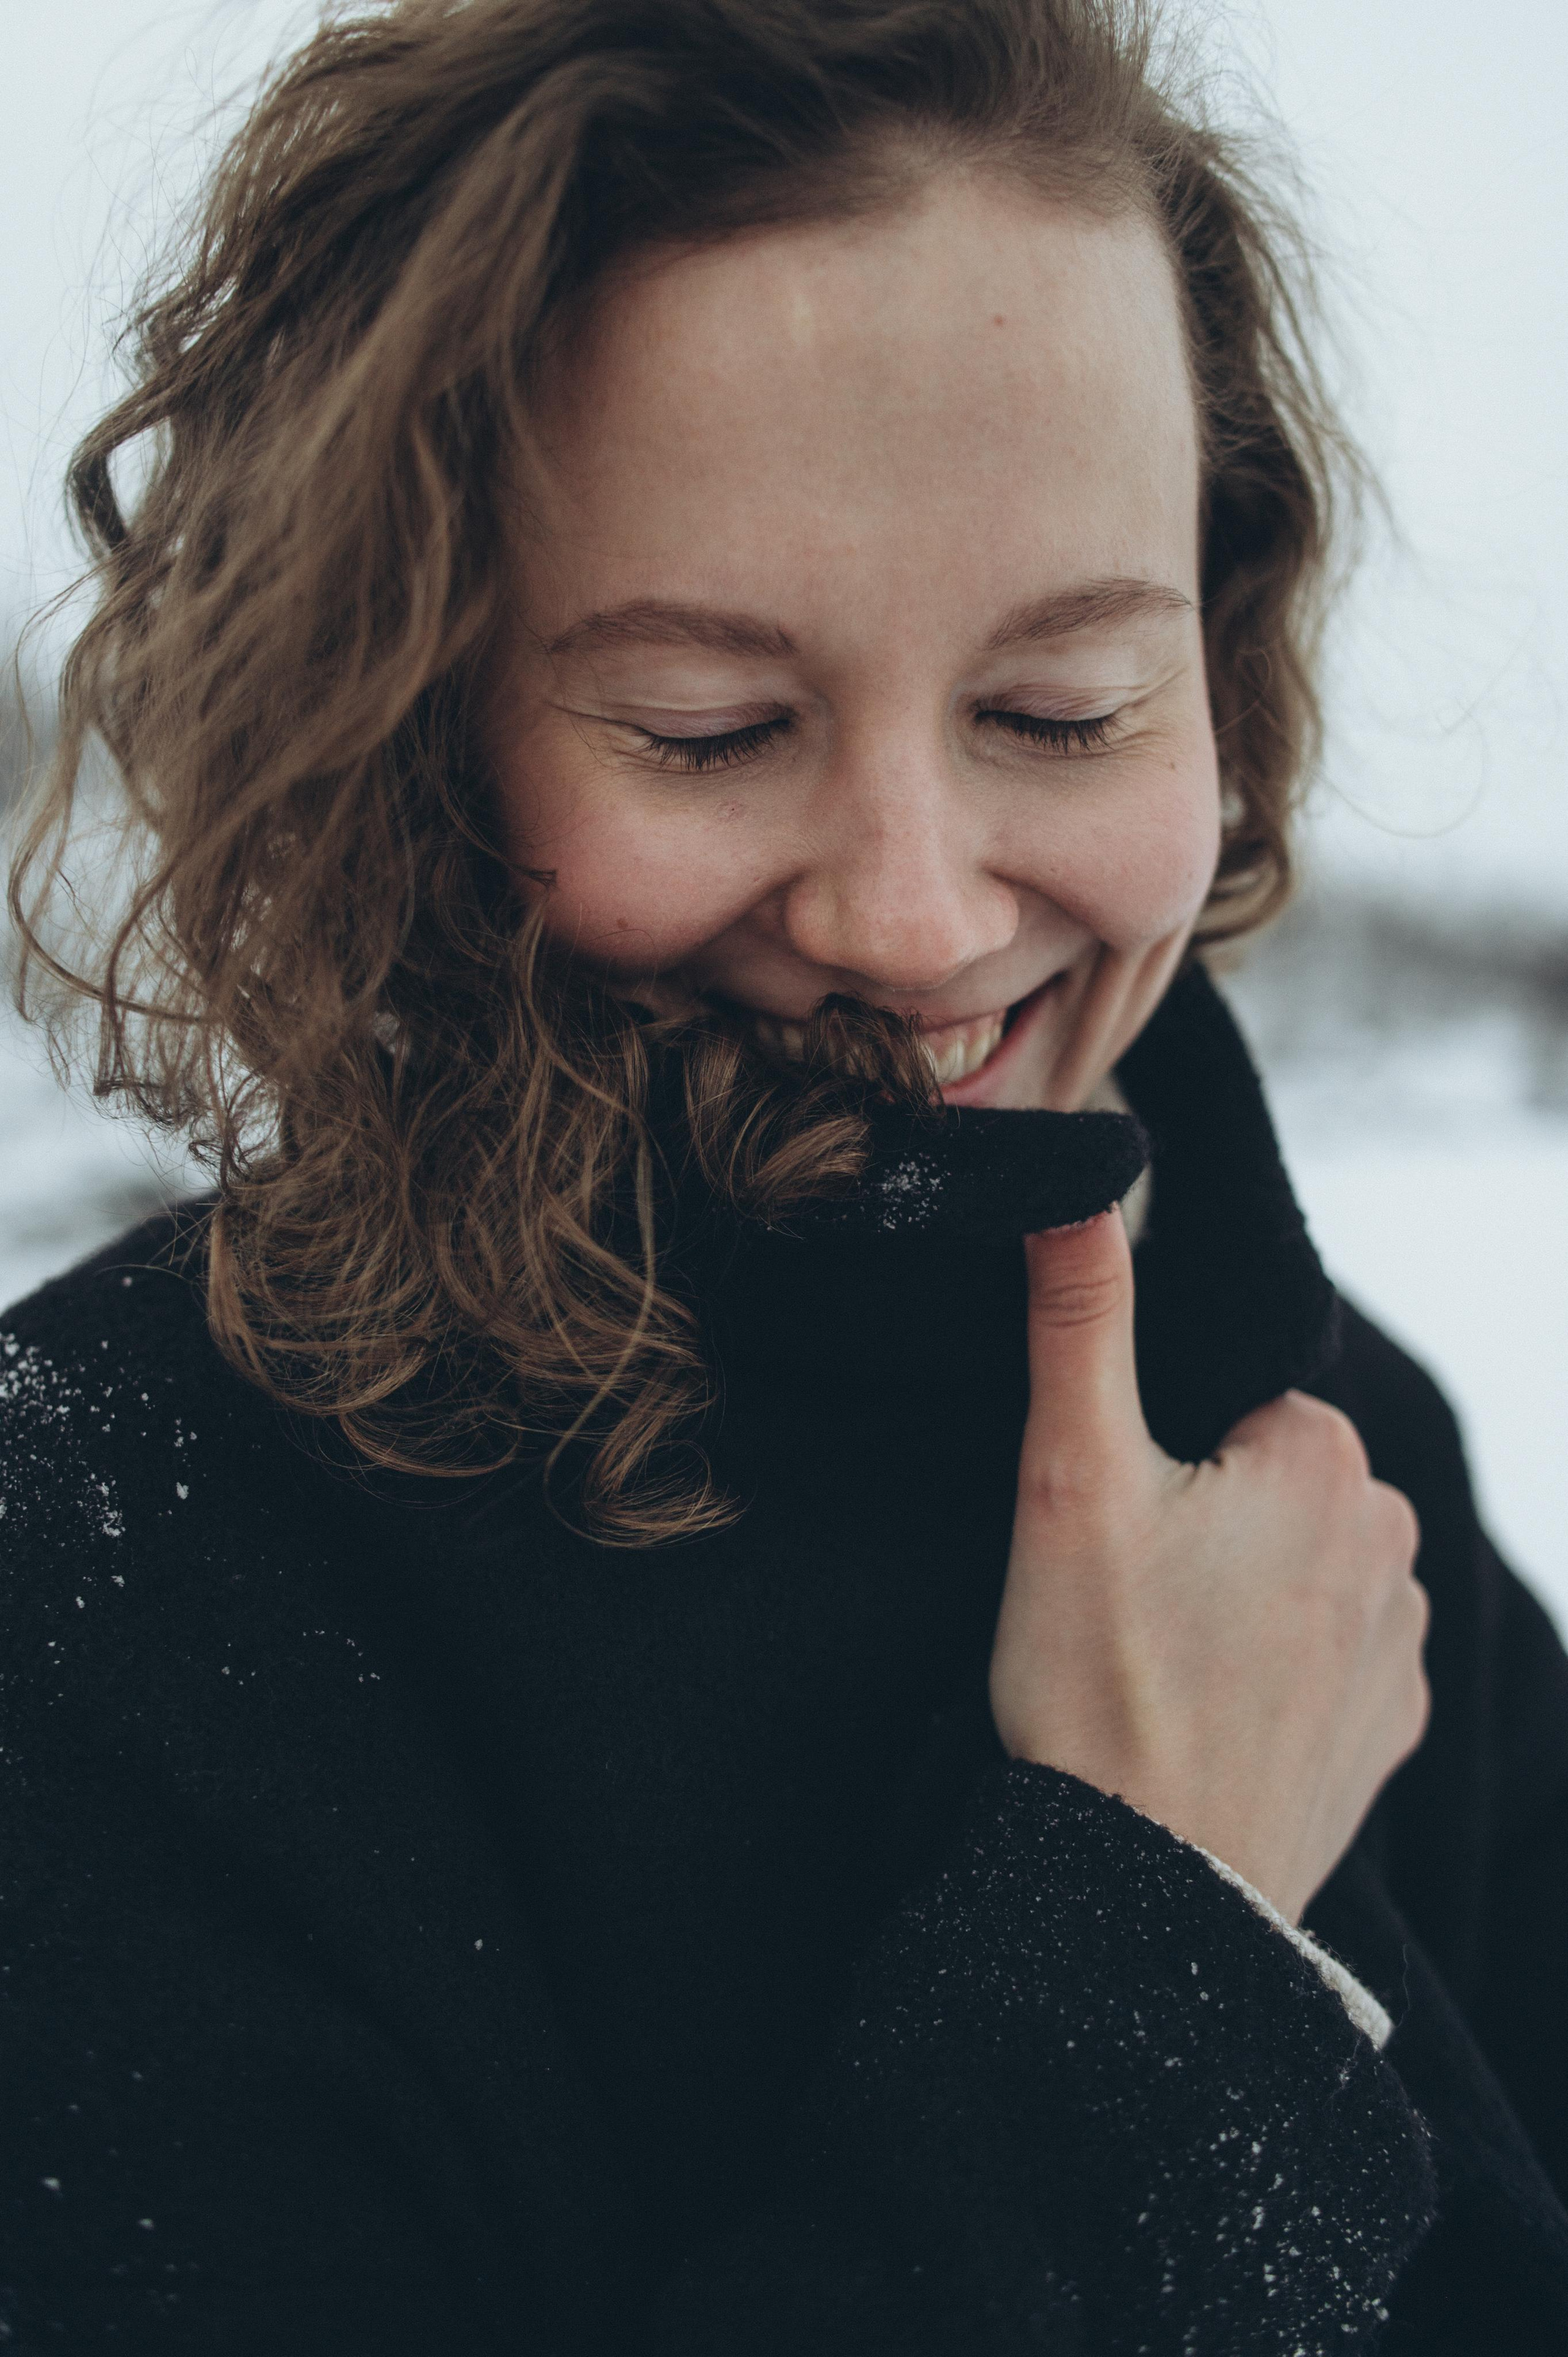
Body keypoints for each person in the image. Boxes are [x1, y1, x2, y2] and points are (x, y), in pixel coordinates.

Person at [3, 1, 1565, 2348]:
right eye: (710, 729)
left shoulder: (1328, 1467)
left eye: (1062, 710)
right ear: (401, 719)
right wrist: (1166, 1944)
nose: (917, 921)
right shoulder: (101, 1590)